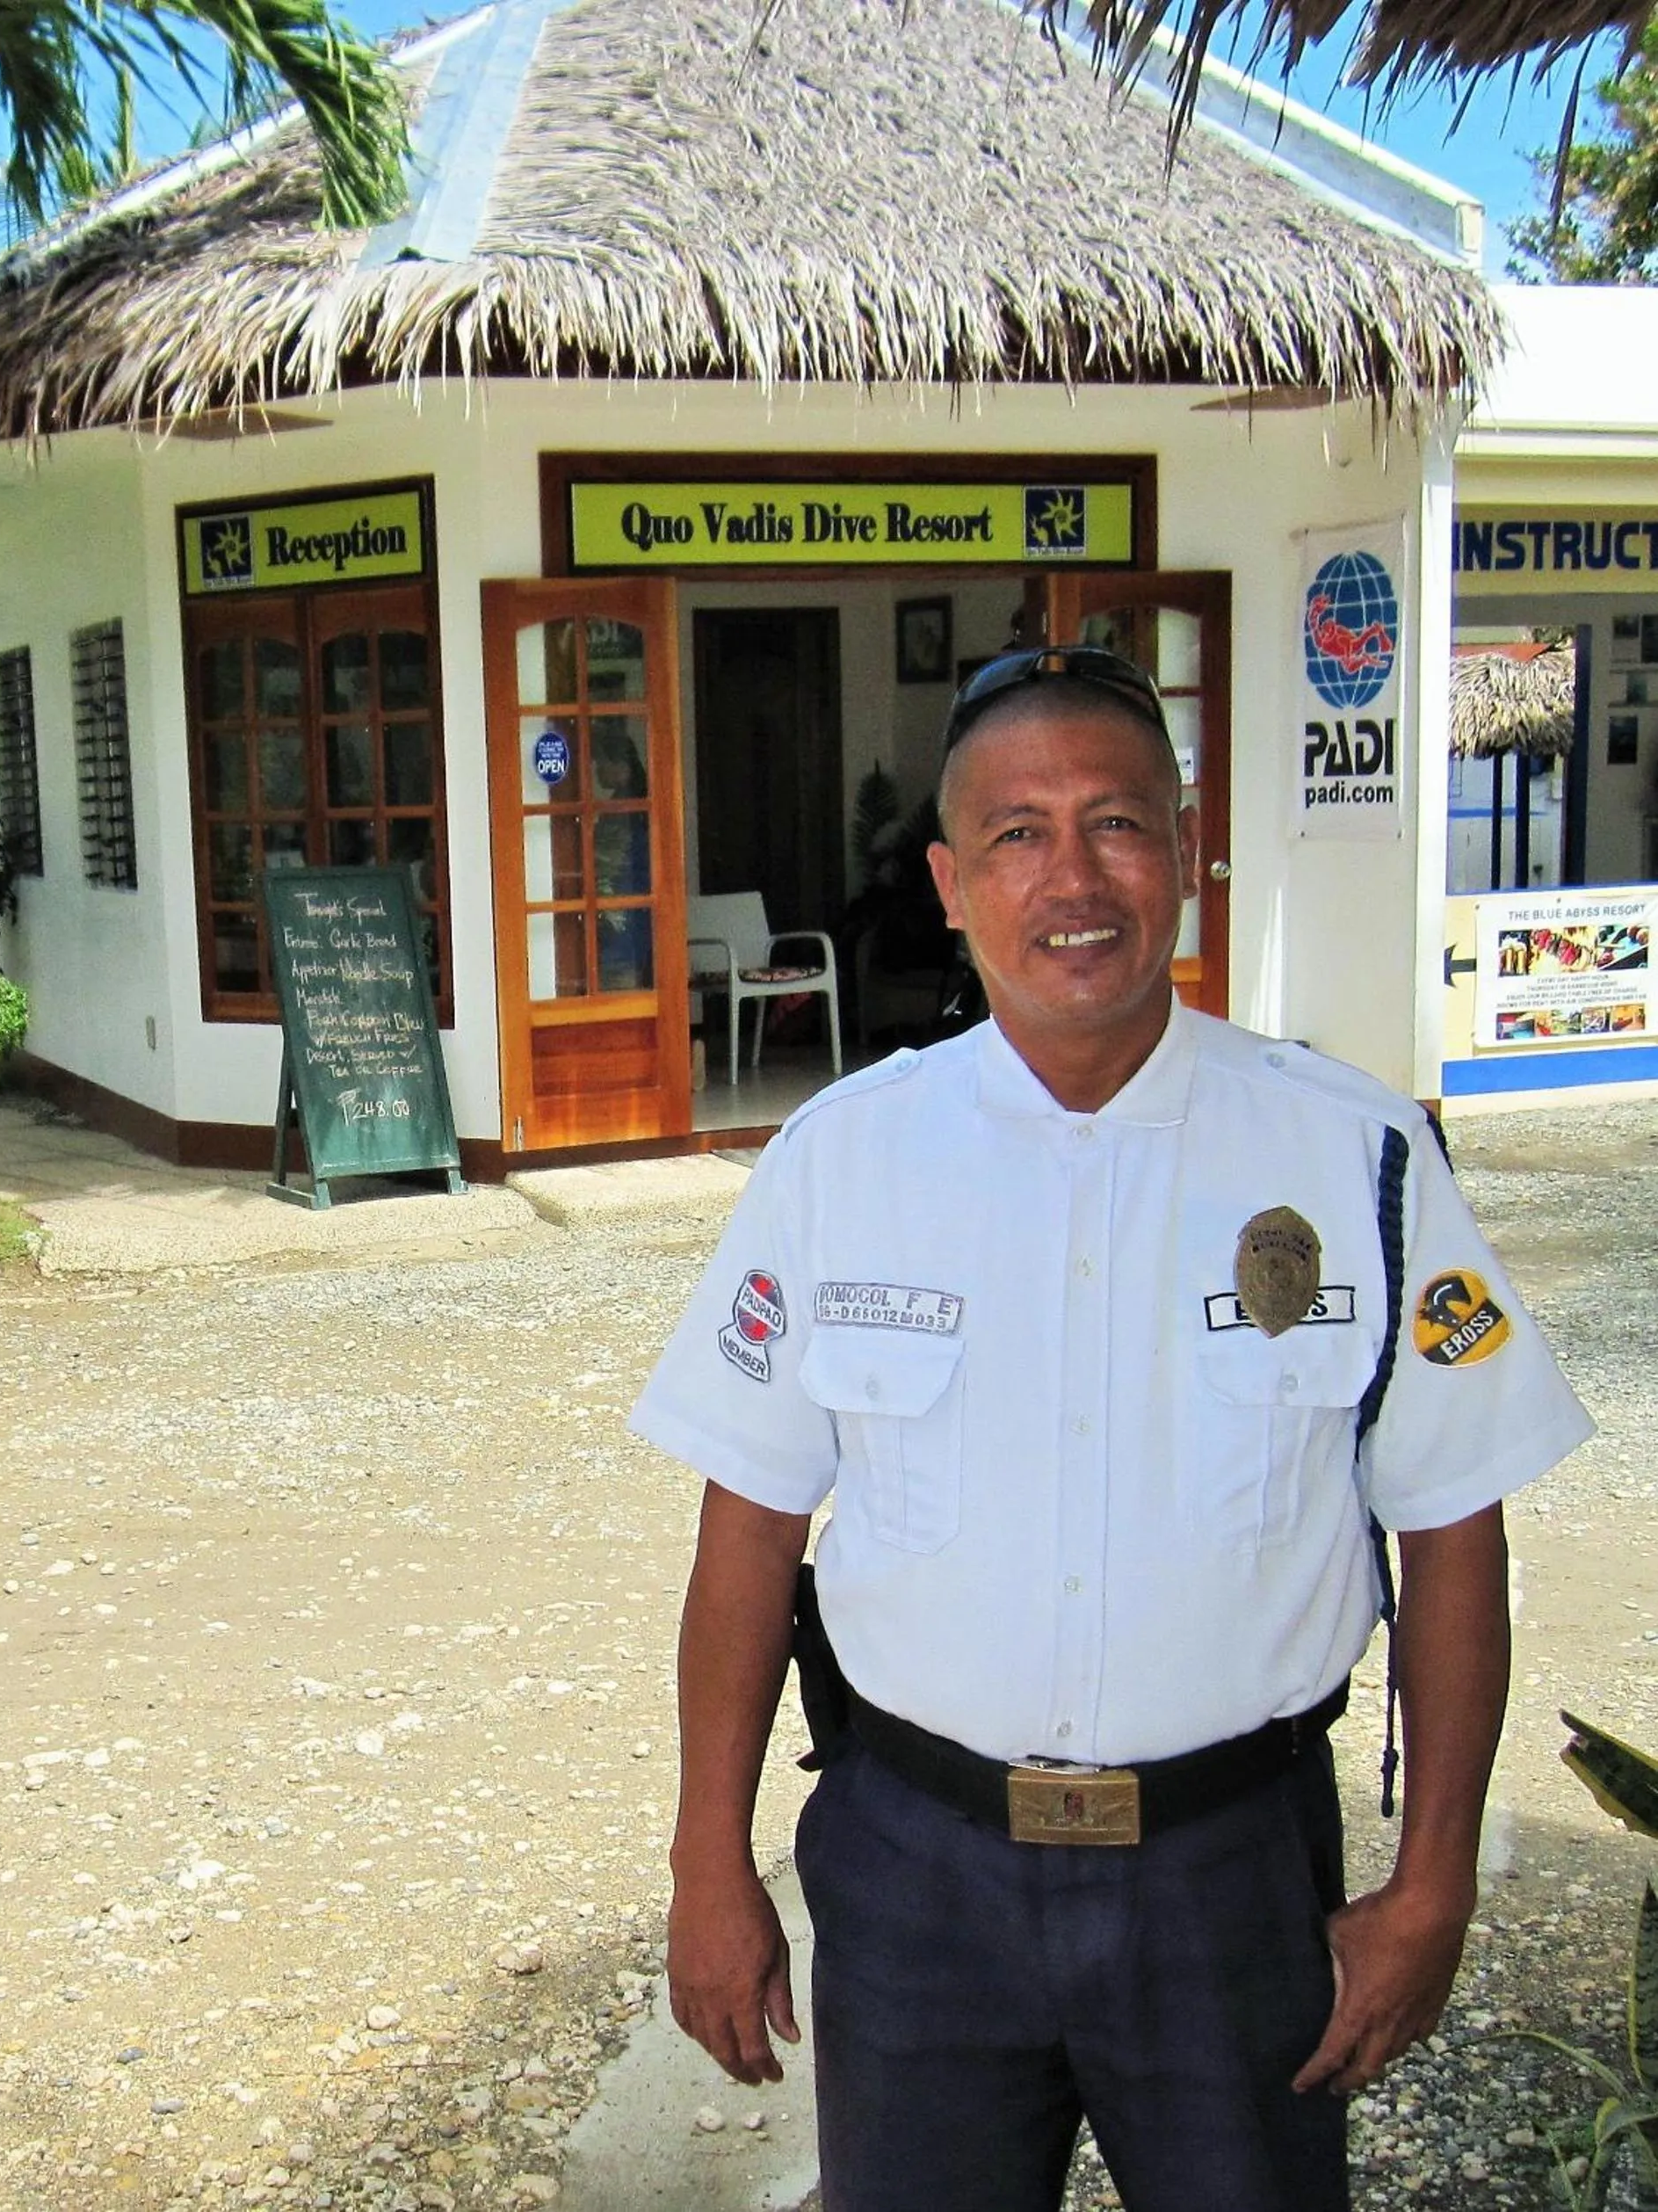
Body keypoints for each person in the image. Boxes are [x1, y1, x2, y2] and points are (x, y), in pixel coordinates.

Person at [628, 645, 1592, 2212]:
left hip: (1227, 1879)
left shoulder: (1356, 1161)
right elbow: (746, 1528)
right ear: (948, 882)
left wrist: (1429, 1889)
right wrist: (704, 1863)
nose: (1070, 877)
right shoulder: (840, 1162)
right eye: (1016, 833)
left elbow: (1454, 1528)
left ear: (1190, 852)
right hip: (917, 1873)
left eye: (1117, 824)